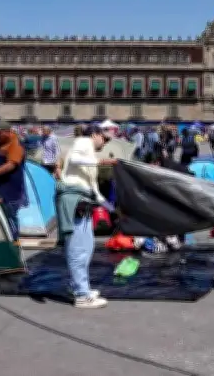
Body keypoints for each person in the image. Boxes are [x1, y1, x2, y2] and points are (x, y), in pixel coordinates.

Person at [57, 126, 117, 308]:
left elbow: (95, 191)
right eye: (104, 139)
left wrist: (111, 209)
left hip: (84, 200)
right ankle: (82, 296)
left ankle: (78, 286)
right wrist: (104, 161)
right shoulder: (84, 142)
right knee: (78, 249)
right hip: (74, 200)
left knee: (87, 247)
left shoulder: (89, 152)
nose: (105, 143)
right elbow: (74, 159)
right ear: (95, 135)